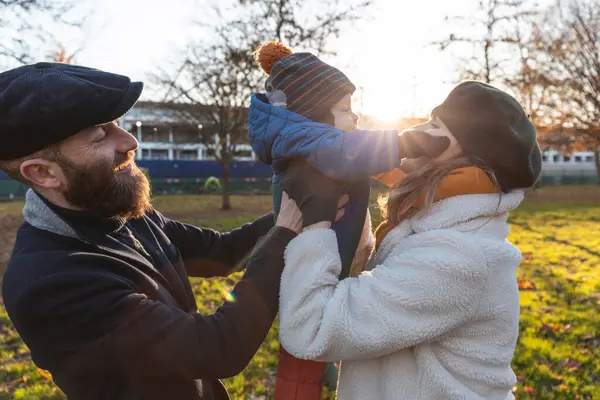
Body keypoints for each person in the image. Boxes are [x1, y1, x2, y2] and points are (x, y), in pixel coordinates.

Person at [0, 62, 323, 400]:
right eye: (99, 136)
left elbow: (222, 253)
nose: (130, 141)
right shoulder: (51, 285)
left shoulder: (120, 211)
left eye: (117, 125)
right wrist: (284, 233)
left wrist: (295, 200)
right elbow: (218, 347)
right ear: (42, 173)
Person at [278, 81, 542, 399]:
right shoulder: (437, 227)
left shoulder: (458, 256)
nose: (418, 133)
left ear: (465, 155)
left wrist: (316, 222)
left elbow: (313, 328)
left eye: (434, 126)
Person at [248, 41, 449, 398]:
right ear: (314, 114)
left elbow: (368, 163)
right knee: (304, 345)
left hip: (339, 258)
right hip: (314, 263)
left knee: (325, 332)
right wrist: (406, 143)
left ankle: (325, 371)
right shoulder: (309, 143)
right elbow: (351, 154)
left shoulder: (323, 141)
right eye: (344, 109)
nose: (354, 118)